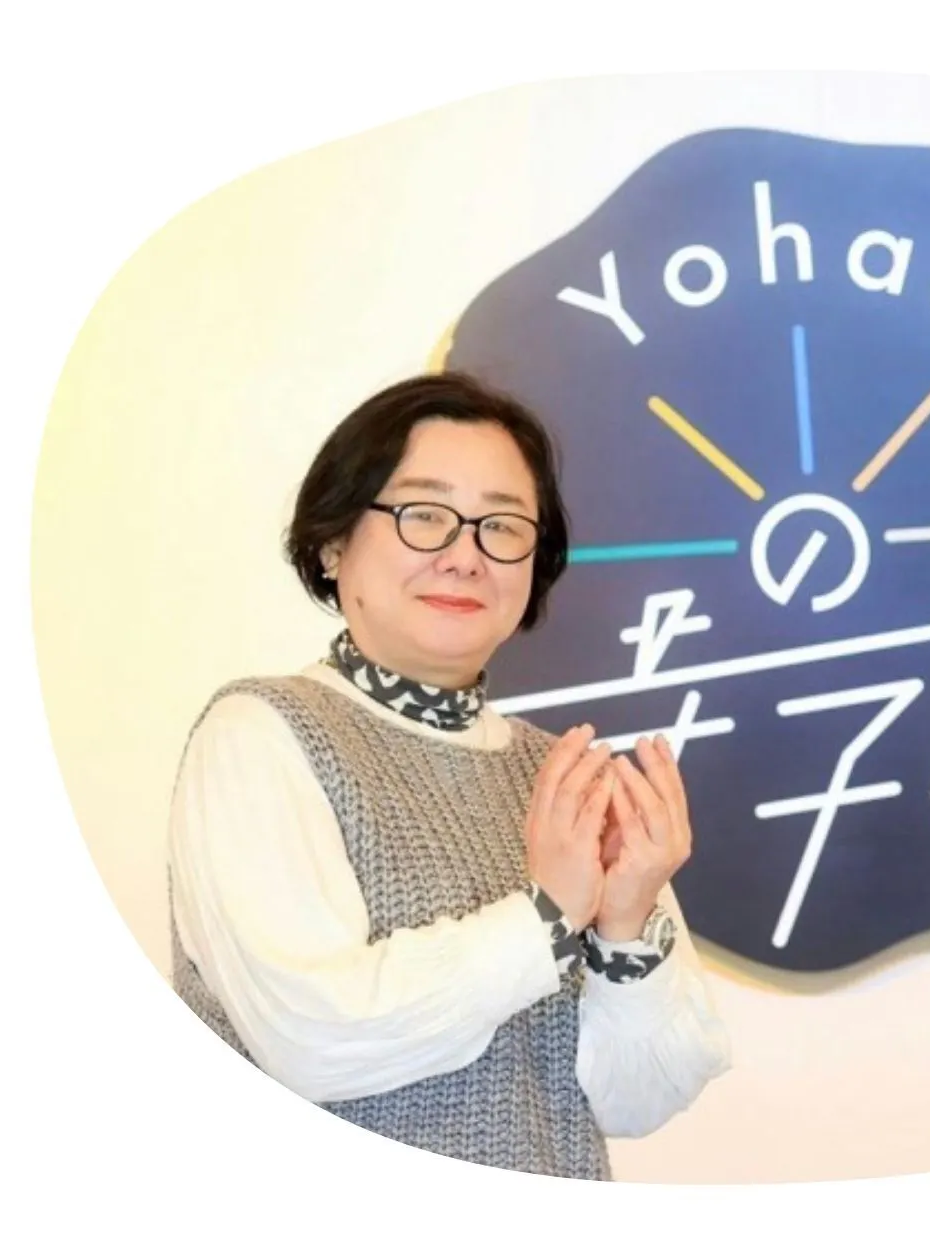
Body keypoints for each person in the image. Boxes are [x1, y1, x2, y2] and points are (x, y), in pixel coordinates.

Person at [166, 372, 731, 1179]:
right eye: (424, 515)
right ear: (333, 543)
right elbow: (312, 1041)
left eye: (502, 526)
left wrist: (624, 921)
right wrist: (547, 916)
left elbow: (637, 1101)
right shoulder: (260, 733)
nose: (465, 556)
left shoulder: (568, 779)